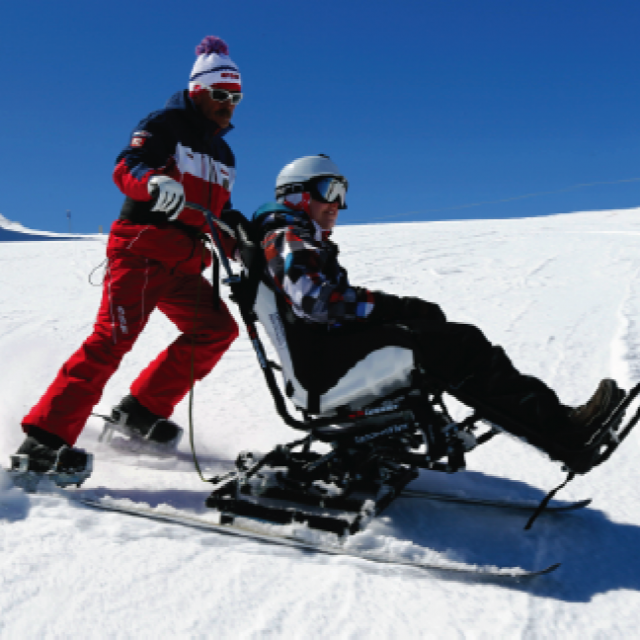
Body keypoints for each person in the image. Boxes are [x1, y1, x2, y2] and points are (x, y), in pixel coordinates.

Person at [251, 155, 625, 473]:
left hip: (327, 357)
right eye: (327, 190)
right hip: (326, 367)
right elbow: (317, 303)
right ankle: (567, 434)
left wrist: (400, 311)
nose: (337, 203)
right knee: (461, 344)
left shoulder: (295, 237)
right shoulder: (286, 236)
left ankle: (559, 426)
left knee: (439, 331)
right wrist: (387, 307)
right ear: (296, 194)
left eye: (341, 193)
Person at [16, 35, 243, 472]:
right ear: (198, 90)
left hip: (182, 261)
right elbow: (128, 166)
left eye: (235, 96)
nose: (228, 103)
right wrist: (154, 182)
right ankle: (44, 441)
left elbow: (221, 212)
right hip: (142, 253)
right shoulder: (165, 125)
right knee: (111, 341)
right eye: (220, 93)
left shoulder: (223, 152)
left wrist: (239, 242)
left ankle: (139, 414)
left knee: (215, 329)